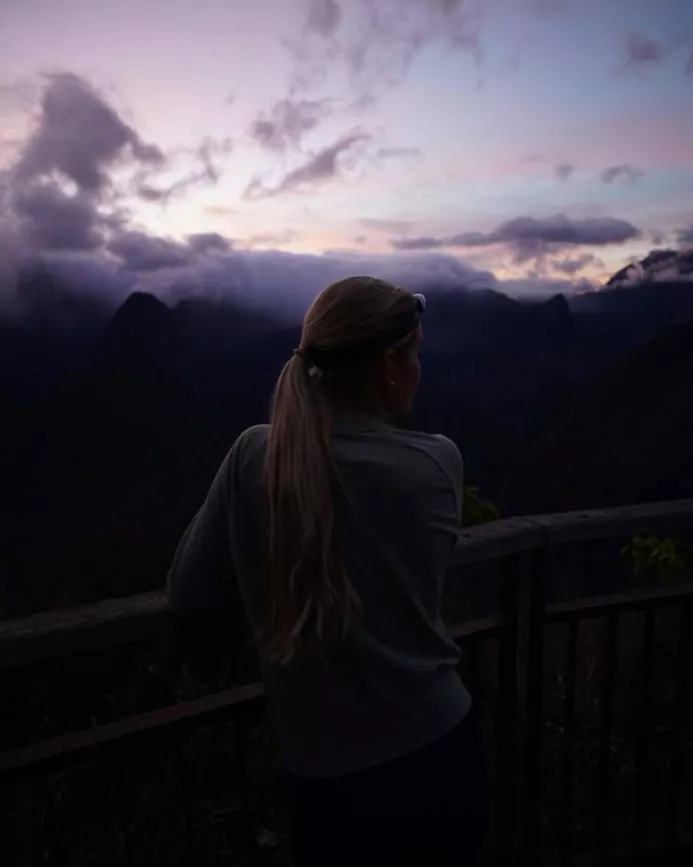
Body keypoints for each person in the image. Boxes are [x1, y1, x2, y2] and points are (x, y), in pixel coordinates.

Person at [167, 276, 487, 866]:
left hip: (325, 773)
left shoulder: (252, 459)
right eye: (415, 354)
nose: (420, 369)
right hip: (440, 748)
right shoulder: (438, 462)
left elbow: (187, 592)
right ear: (389, 365)